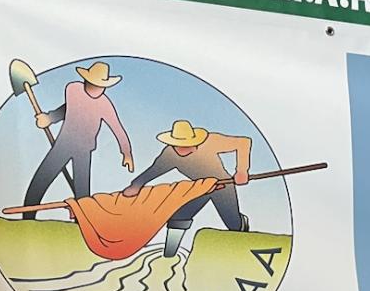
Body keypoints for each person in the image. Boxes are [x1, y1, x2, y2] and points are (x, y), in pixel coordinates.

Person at [122, 119, 252, 255]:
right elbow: (154, 170)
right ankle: (169, 255)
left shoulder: (211, 142)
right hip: (198, 188)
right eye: (179, 145)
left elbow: (243, 142)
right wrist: (136, 185)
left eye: (188, 145)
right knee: (179, 217)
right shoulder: (169, 155)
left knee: (232, 223)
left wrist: (242, 170)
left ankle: (242, 239)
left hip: (222, 186)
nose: (183, 149)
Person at [23, 61, 134, 216]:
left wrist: (126, 152)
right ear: (86, 80)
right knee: (41, 179)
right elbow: (68, 109)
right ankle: (27, 218)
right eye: (94, 84)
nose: (97, 88)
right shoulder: (73, 89)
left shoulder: (105, 104)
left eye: (101, 85)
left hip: (84, 151)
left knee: (82, 193)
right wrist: (49, 118)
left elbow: (117, 128)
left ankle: (81, 224)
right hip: (63, 144)